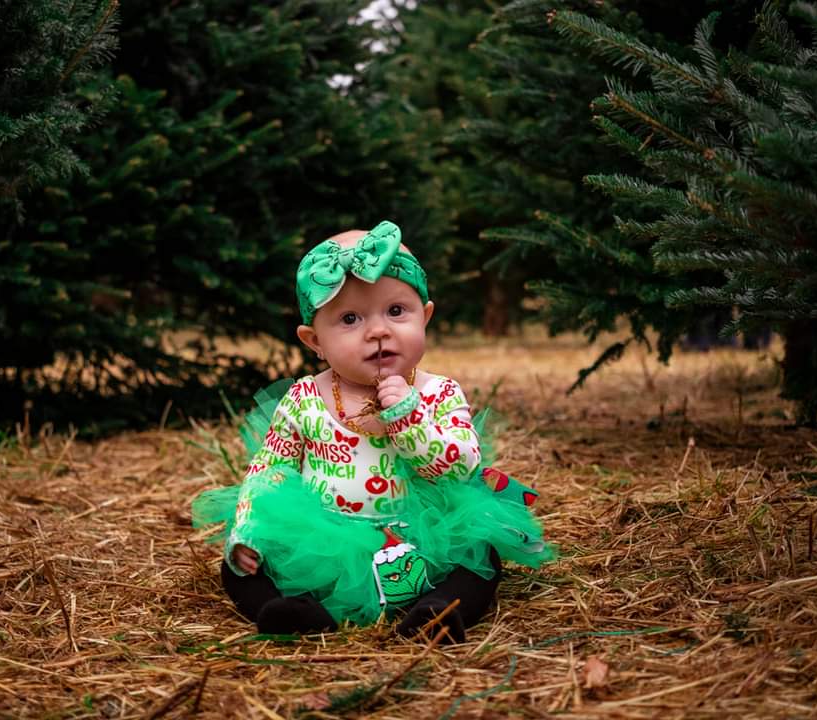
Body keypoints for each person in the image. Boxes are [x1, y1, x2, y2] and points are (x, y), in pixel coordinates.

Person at [192, 220, 554, 642]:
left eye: (397, 311)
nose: (378, 330)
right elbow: (270, 467)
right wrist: (248, 532)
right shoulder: (305, 398)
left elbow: (460, 468)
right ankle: (294, 612)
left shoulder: (439, 392)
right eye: (349, 318)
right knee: (241, 566)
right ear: (315, 342)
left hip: (423, 534)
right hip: (326, 537)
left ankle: (436, 610)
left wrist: (408, 417)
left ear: (426, 316)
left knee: (481, 556)